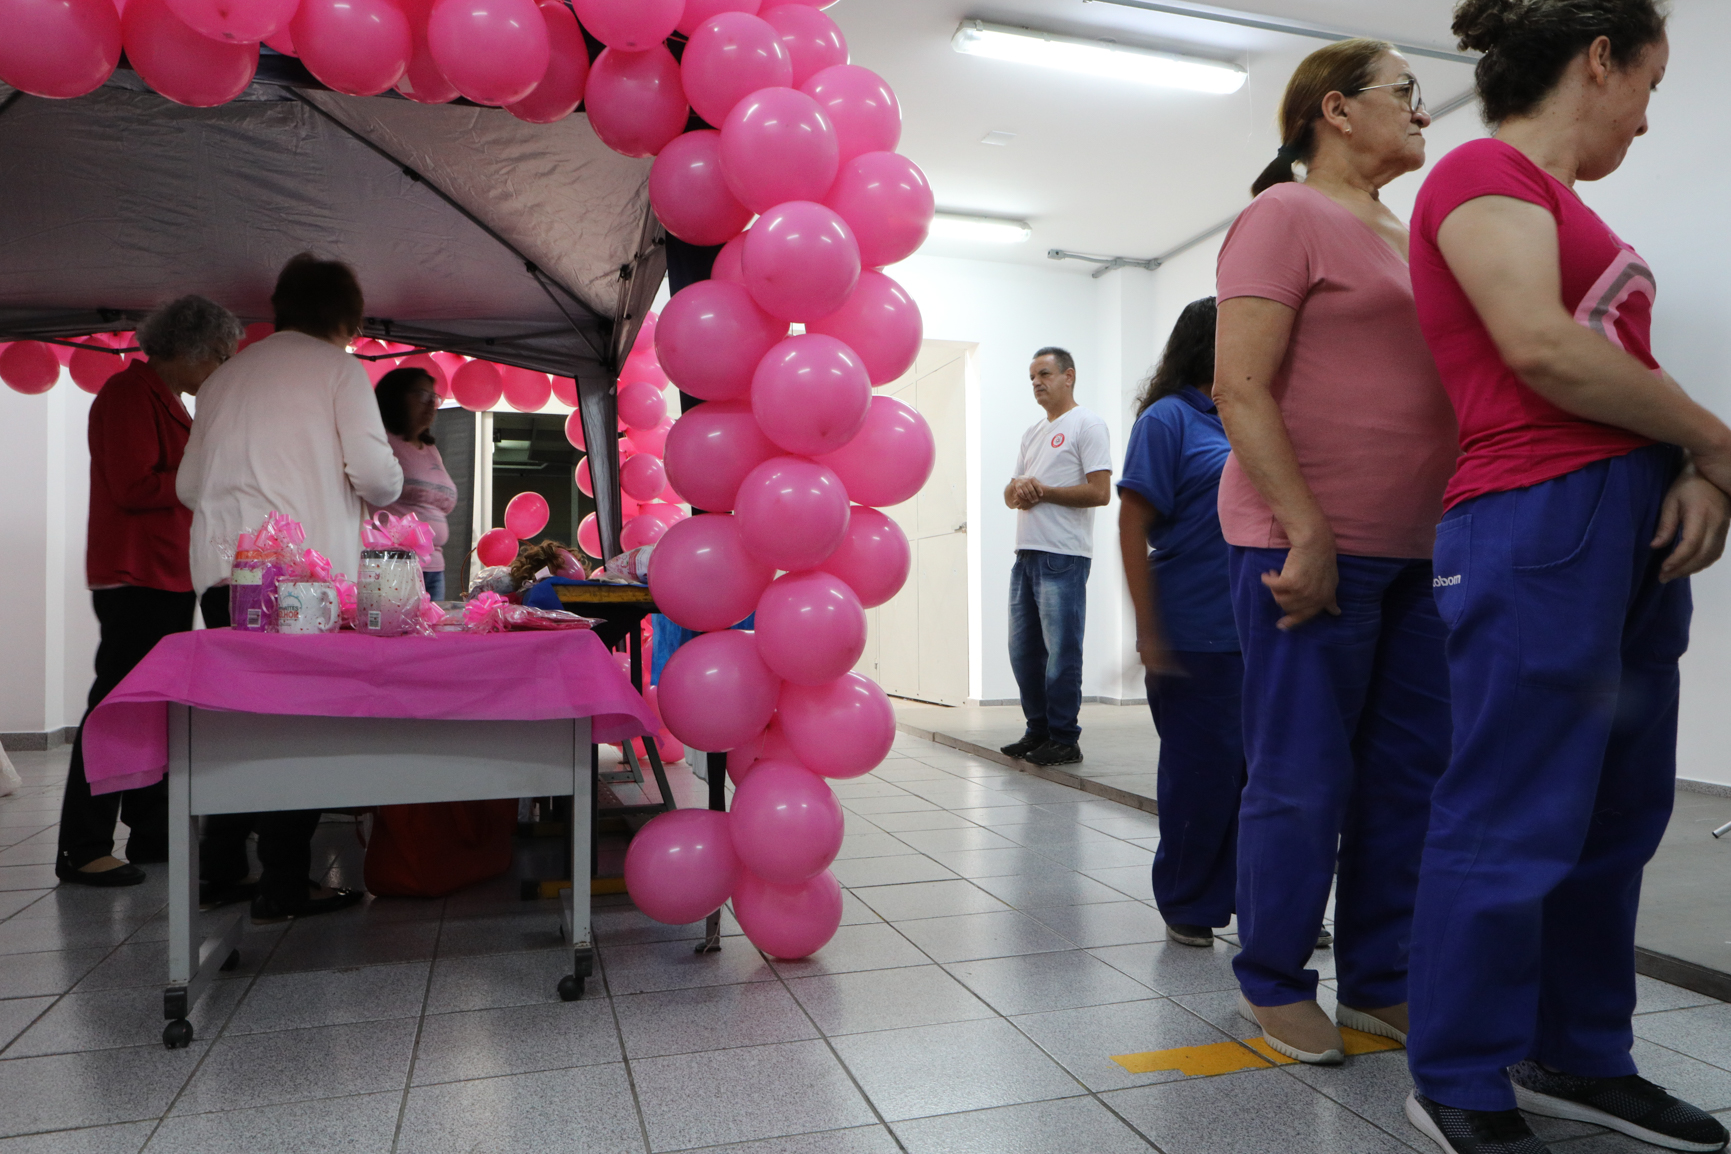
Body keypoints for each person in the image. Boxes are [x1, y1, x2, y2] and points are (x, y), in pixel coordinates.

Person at [1403, 4, 1731, 1152]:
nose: (1649, 114)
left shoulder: (1568, 204)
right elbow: (1540, 347)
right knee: (1512, 803)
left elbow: (1617, 367)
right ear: (1603, 58)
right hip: (1539, 511)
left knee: (1617, 812)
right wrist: (1719, 437)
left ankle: (1581, 1051)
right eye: (1652, 81)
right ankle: (1457, 1066)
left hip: (1631, 518)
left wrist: (1698, 469)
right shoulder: (1482, 171)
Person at [1213, 39, 1459, 1066]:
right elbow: (1240, 387)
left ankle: (1383, 975)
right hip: (1307, 544)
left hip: (1415, 551)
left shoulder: (1405, 235)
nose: (1424, 112)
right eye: (1406, 92)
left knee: (1406, 775)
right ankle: (1272, 977)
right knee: (1302, 774)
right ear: (1336, 110)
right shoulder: (1285, 214)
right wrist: (1306, 526)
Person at [177, 253, 403, 923]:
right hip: (302, 579)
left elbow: (188, 487)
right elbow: (379, 478)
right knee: (297, 725)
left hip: (223, 572)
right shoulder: (339, 370)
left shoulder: (223, 379)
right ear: (346, 317)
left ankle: (219, 869)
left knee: (237, 718)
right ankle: (284, 882)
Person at [55, 296, 242, 887]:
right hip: (134, 571)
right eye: (217, 355)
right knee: (115, 703)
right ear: (187, 349)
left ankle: (150, 831)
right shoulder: (127, 394)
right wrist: (206, 473)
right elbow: (135, 484)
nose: (219, 368)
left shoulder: (166, 401)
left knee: (150, 702)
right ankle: (82, 846)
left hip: (164, 569)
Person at [1116, 297, 1244, 947]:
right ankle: (1188, 901)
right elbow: (1131, 526)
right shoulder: (1168, 420)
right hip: (1194, 628)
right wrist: (1148, 630)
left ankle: (1265, 902)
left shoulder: (1252, 416)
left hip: (1264, 629)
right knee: (1202, 775)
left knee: (1265, 776)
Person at [1000, 347, 1112, 768]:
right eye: (1032, 378)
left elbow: (1099, 492)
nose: (1036, 383)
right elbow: (1010, 495)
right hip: (1026, 555)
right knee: (1024, 651)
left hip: (1062, 557)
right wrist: (1021, 490)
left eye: (1044, 374)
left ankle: (1065, 738)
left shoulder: (1088, 424)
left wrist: (1042, 490)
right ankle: (1038, 731)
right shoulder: (1031, 433)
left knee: (1062, 651)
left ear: (1069, 376)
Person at [370, 366, 458, 601]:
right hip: (394, 567)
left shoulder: (431, 450)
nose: (431, 404)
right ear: (395, 398)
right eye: (421, 395)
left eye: (434, 397)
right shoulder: (382, 442)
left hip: (434, 567)